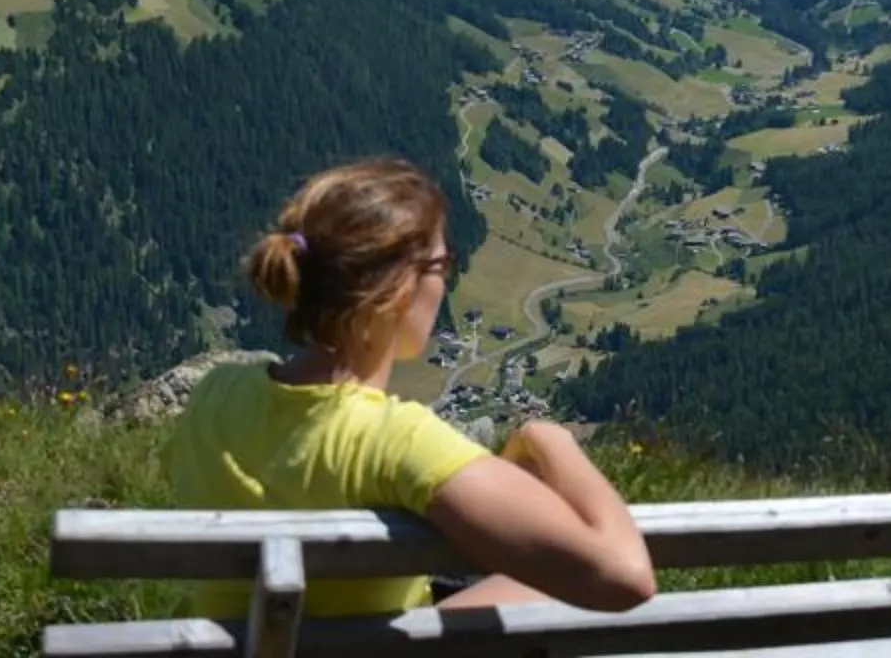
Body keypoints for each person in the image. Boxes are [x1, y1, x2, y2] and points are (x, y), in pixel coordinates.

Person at [168, 156, 657, 620]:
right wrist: (552, 440)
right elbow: (625, 577)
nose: (445, 282)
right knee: (546, 587)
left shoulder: (215, 393)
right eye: (442, 266)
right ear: (400, 288)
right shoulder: (393, 440)